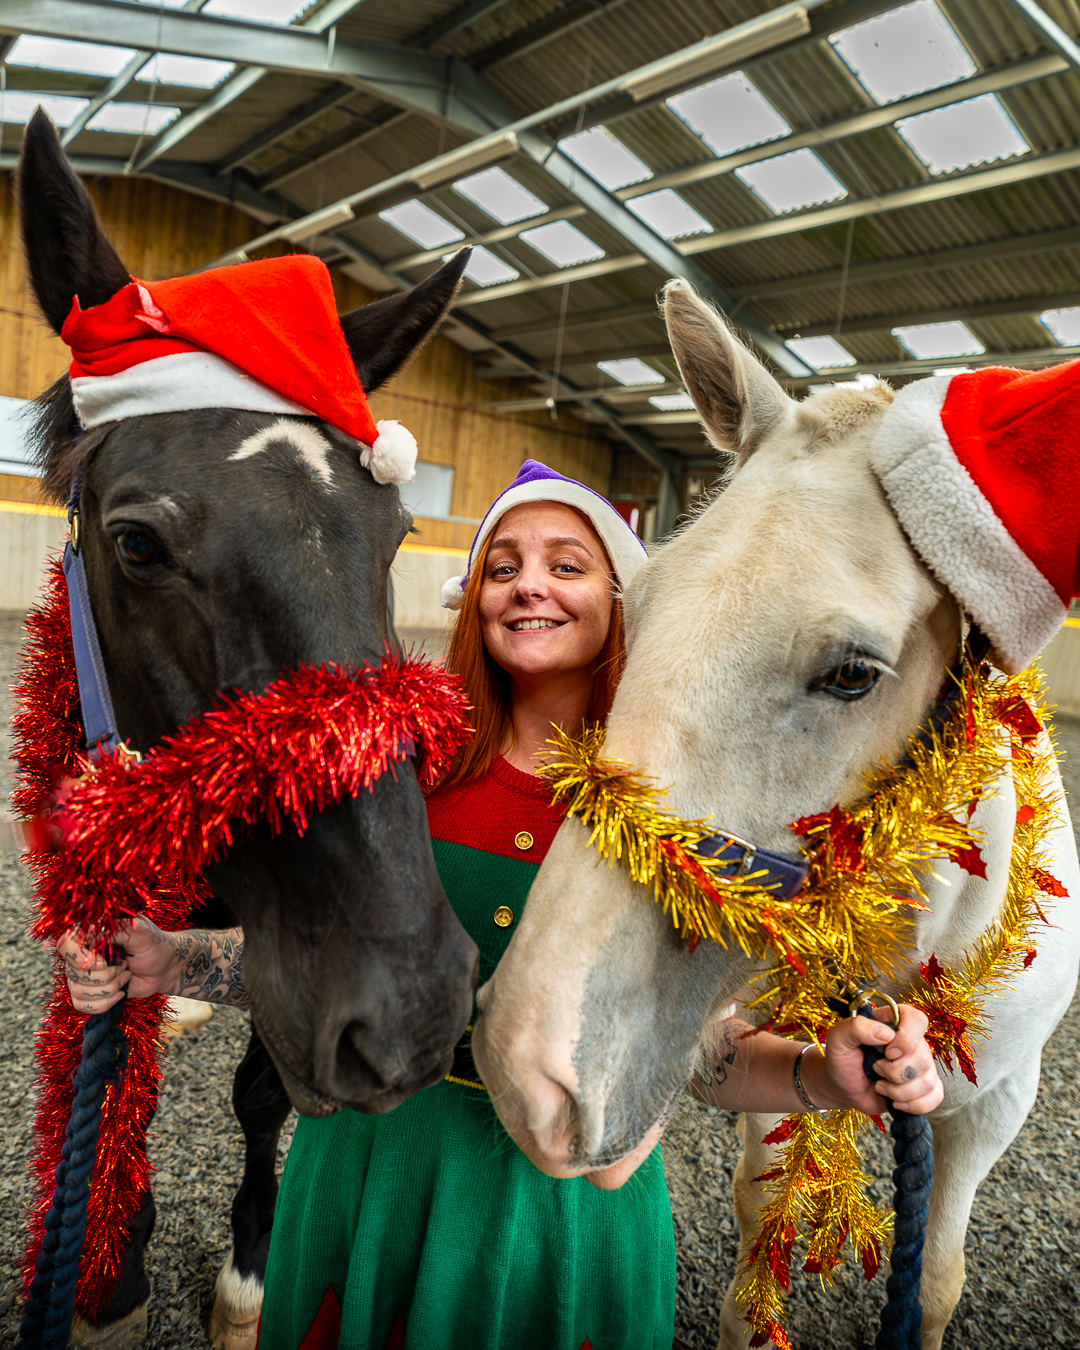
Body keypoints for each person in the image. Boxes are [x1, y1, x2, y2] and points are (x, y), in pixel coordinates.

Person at [61, 459, 944, 1350]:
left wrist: (816, 1077)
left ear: (625, 599)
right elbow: (325, 963)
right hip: (371, 1177)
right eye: (503, 564)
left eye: (566, 565)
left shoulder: (682, 810)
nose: (530, 586)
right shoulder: (399, 768)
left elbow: (693, 1059)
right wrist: (175, 960)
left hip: (559, 1220)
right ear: (473, 595)